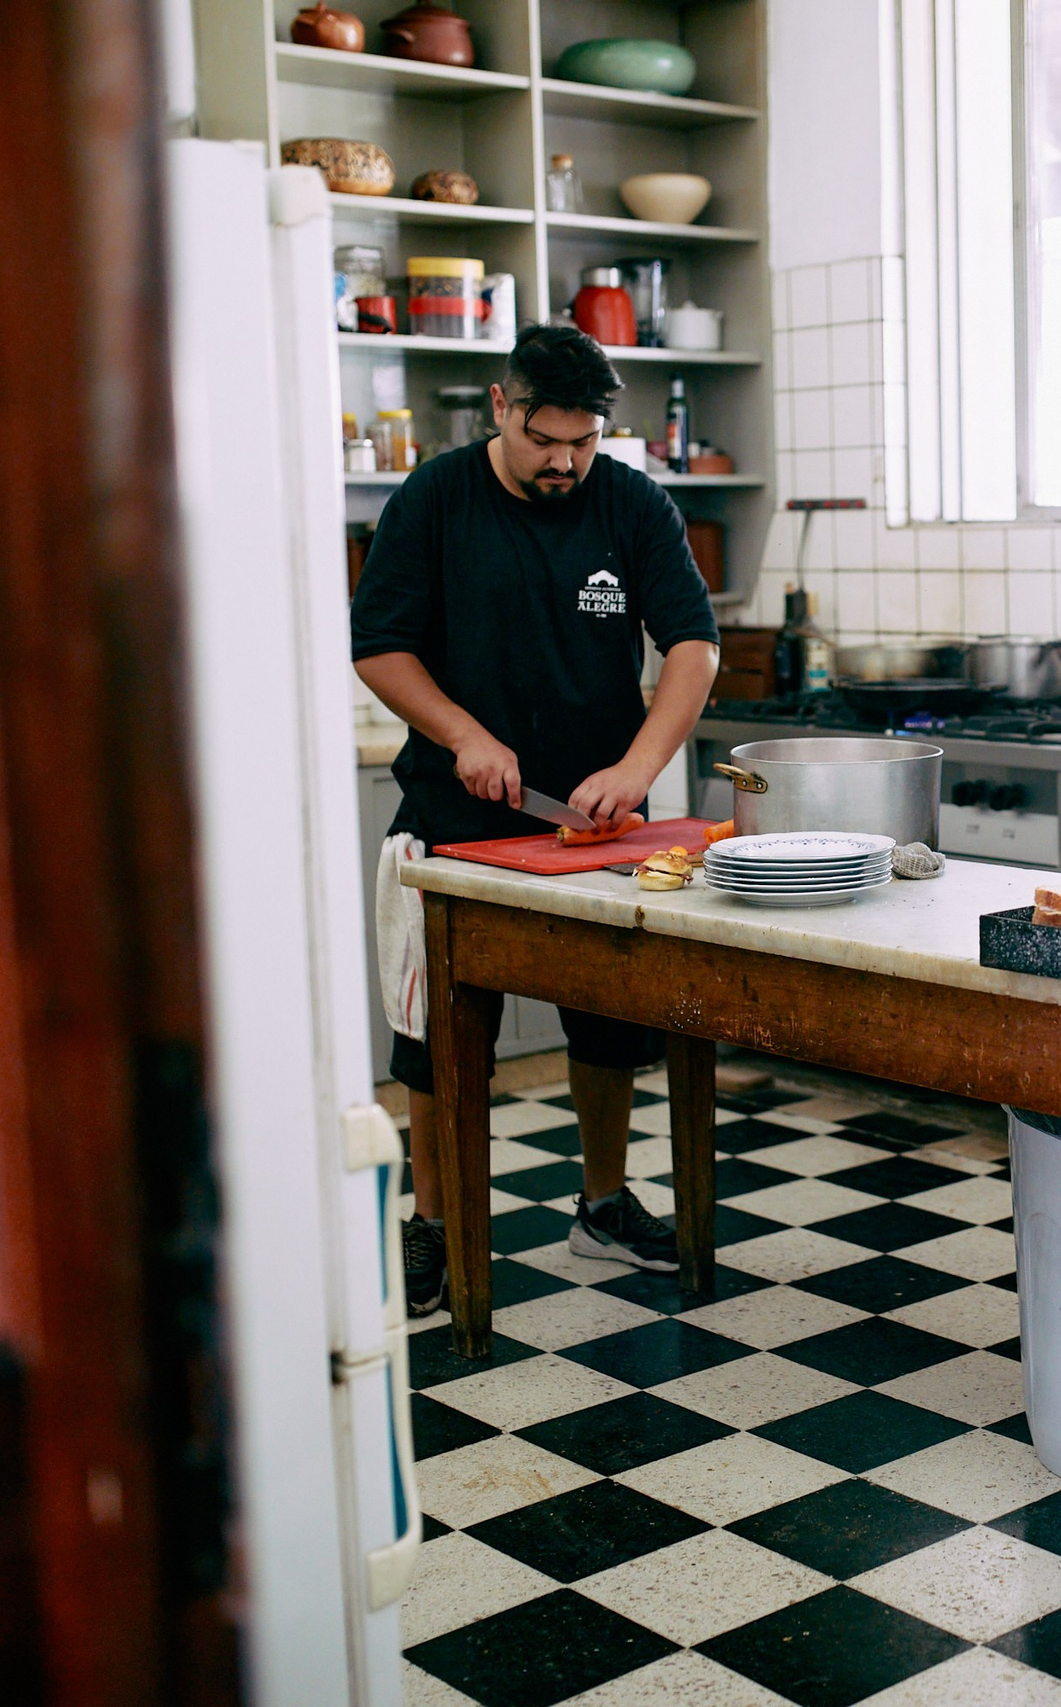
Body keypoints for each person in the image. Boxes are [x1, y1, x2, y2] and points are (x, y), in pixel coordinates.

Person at [352, 324, 721, 1312]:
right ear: (499, 406)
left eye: (583, 442)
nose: (563, 462)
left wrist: (639, 767)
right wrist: (462, 733)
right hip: (455, 813)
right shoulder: (434, 498)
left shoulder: (632, 502)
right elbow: (380, 647)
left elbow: (692, 648)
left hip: (597, 822)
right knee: (435, 1037)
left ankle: (602, 1203)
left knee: (609, 1023)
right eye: (543, 438)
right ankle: (432, 1225)